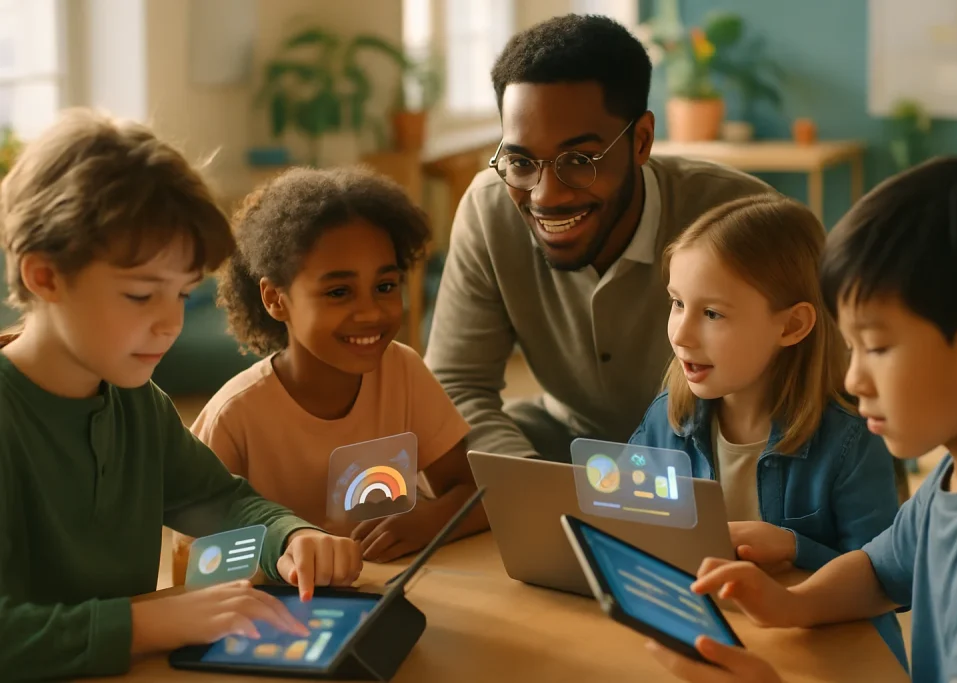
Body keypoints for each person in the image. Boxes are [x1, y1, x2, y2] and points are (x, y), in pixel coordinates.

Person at [0, 109, 363, 680]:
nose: (170, 324)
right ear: (44, 276)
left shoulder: (137, 404)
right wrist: (160, 622)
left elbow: (222, 503)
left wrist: (294, 536)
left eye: (184, 294)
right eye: (143, 296)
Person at [647, 156, 957, 682]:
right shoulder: (953, 479)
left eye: (876, 347)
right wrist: (791, 604)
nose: (853, 380)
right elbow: (877, 572)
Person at [424, 14, 772, 462]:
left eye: (579, 159)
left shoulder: (741, 217)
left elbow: (815, 388)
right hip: (569, 445)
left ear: (641, 140)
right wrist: (534, 487)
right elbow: (457, 383)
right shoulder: (489, 209)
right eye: (522, 161)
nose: (545, 195)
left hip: (715, 459)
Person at [629, 194, 905, 666]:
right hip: (715, 638)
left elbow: (889, 580)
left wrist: (795, 549)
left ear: (793, 325)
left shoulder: (852, 440)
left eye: (712, 313)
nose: (681, 333)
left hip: (827, 655)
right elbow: (632, 525)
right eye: (677, 303)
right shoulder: (667, 417)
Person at [171, 167, 484, 584]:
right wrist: (285, 557)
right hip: (284, 618)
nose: (372, 311)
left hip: (398, 593)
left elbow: (475, 493)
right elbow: (189, 562)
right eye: (339, 292)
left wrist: (428, 521)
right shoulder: (234, 416)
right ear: (275, 299)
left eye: (386, 286)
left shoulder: (404, 371)